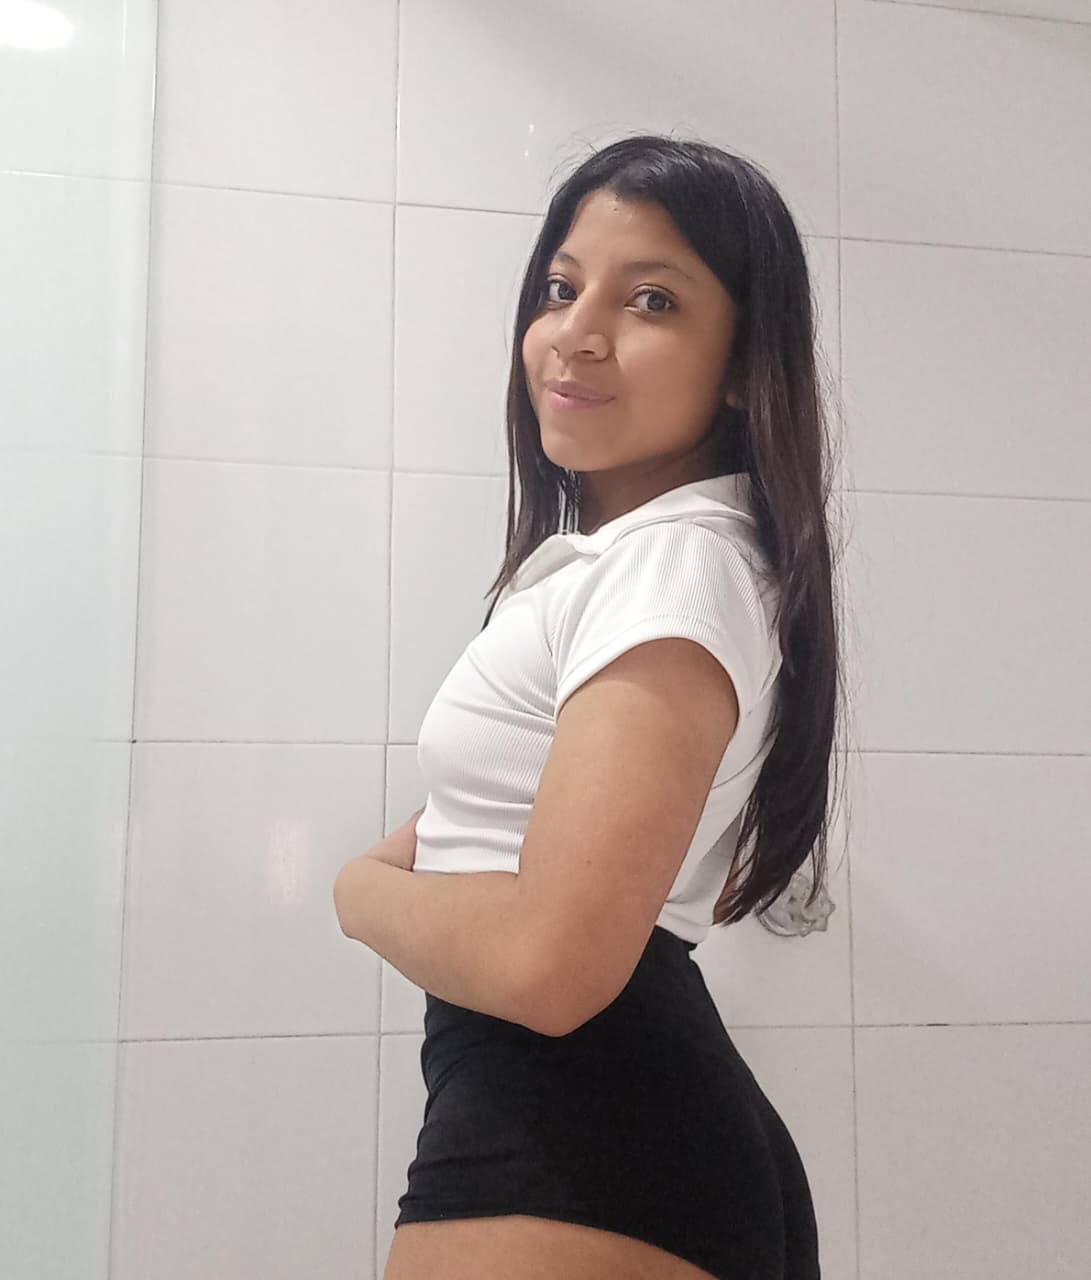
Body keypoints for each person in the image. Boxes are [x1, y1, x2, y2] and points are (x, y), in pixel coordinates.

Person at [386, 133, 848, 1280]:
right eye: (560, 287)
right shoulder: (634, 562)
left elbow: (550, 967)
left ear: (741, 364)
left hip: (578, 1142)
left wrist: (358, 895)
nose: (576, 331)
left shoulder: (670, 567)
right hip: (596, 1138)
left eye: (650, 299)